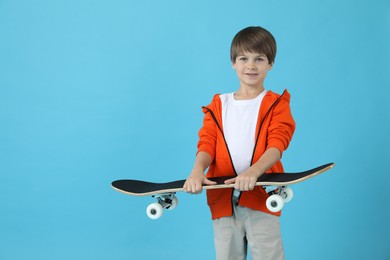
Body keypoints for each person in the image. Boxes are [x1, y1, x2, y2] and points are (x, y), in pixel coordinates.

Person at [183, 26, 296, 260]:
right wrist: (196, 171)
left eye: (259, 59)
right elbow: (207, 144)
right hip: (222, 199)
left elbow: (278, 144)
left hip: (261, 196)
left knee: (269, 255)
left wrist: (253, 172)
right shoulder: (218, 105)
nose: (251, 66)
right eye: (244, 58)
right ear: (233, 63)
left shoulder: (277, 104)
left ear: (270, 64)